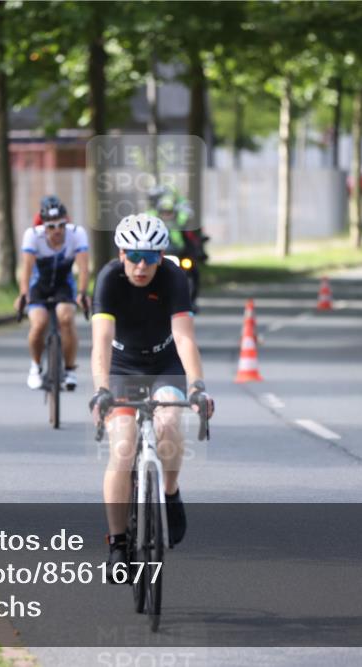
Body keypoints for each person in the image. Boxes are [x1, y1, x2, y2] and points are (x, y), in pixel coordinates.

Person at [88, 213, 214, 571]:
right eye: (134, 256)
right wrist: (101, 391)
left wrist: (197, 386)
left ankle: (170, 491)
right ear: (121, 253)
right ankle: (117, 543)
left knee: (171, 419)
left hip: (163, 364)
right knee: (123, 447)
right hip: (122, 368)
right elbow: (101, 343)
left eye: (151, 257)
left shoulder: (174, 277)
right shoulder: (109, 279)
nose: (142, 266)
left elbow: (185, 337)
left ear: (162, 256)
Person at [16, 195, 90, 390]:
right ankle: (35, 365)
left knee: (66, 318)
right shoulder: (32, 235)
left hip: (63, 284)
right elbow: (26, 270)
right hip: (39, 284)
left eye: (61, 225)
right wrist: (24, 294)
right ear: (43, 226)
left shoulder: (77, 234)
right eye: (51, 227)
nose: (57, 231)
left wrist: (82, 292)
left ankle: (70, 369)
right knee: (39, 323)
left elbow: (83, 268)